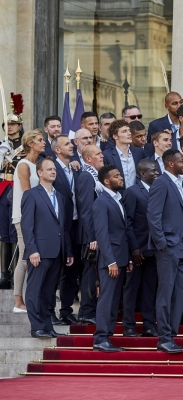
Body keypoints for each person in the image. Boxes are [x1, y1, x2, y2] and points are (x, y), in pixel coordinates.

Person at [147, 149, 183, 353]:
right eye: (181, 161)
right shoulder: (161, 183)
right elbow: (153, 215)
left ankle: (171, 335)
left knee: (181, 290)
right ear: (170, 164)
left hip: (182, 245)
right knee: (166, 292)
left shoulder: (179, 183)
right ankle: (164, 338)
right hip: (168, 246)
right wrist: (162, 244)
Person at [22, 158, 72, 338]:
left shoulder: (59, 196)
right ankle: (36, 327)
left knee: (49, 292)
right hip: (39, 251)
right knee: (35, 290)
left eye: (54, 169)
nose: (53, 171)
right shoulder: (32, 195)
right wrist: (32, 250)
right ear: (39, 173)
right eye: (49, 169)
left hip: (57, 251)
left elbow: (62, 226)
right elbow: (27, 226)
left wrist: (67, 250)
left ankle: (47, 325)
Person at [92, 165, 134, 352]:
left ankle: (107, 337)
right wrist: (111, 261)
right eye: (116, 176)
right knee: (106, 299)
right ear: (107, 181)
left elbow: (122, 232)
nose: (121, 178)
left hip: (121, 259)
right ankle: (100, 337)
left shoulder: (118, 199)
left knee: (114, 301)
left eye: (120, 174)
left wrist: (128, 259)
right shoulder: (101, 202)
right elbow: (102, 235)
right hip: (110, 261)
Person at [122, 160, 160, 337]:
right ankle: (129, 325)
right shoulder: (132, 192)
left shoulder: (159, 189)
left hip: (154, 250)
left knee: (150, 288)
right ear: (142, 174)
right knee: (132, 288)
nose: (157, 172)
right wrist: (134, 248)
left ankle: (148, 325)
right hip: (137, 250)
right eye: (153, 170)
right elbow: (127, 222)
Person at [12, 129, 45, 313]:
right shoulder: (23, 165)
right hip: (24, 217)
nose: (44, 142)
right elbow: (27, 194)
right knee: (25, 257)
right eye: (40, 140)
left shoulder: (39, 164)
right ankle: (18, 301)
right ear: (30, 143)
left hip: (37, 216)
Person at [51, 136, 81, 325]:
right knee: (55, 270)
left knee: (72, 269)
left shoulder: (76, 168)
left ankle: (66, 310)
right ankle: (48, 311)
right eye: (67, 144)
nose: (72, 146)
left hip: (76, 224)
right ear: (57, 150)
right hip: (58, 226)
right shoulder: (51, 167)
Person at [75, 144, 105, 325]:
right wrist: (92, 237)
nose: (102, 155)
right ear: (88, 159)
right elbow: (86, 210)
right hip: (90, 236)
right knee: (89, 273)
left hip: (97, 234)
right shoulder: (87, 177)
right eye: (98, 154)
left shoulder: (96, 177)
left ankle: (91, 308)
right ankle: (86, 311)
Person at [0, 106, 26, 290]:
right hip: (3, 188)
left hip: (17, 189)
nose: (10, 127)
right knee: (3, 233)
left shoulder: (26, 146)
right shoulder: (1, 146)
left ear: (19, 126)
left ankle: (17, 271)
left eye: (13, 124)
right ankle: (4, 274)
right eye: (7, 124)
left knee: (16, 231)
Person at [102, 120, 145, 191]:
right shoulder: (107, 155)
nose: (129, 133)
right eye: (124, 131)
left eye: (129, 131)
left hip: (137, 196)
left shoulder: (139, 152)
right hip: (119, 195)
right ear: (115, 136)